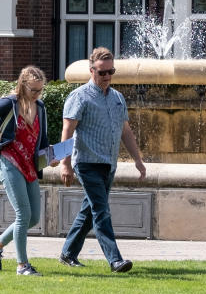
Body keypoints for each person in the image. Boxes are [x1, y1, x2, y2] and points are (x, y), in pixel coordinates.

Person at [56, 46, 145, 273]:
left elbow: (125, 131)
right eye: (102, 72)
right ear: (91, 70)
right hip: (86, 162)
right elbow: (67, 131)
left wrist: (137, 159)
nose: (106, 76)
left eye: (110, 72)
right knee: (101, 210)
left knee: (90, 211)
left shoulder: (117, 98)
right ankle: (115, 260)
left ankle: (67, 254)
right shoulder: (79, 97)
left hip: (109, 164)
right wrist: (65, 163)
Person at [0, 66, 52, 276]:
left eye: (40, 90)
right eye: (33, 90)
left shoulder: (41, 107)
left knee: (34, 217)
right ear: (23, 86)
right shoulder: (9, 103)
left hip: (30, 165)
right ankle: (22, 265)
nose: (37, 94)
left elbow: (42, 139)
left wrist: (49, 158)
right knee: (23, 214)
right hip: (10, 161)